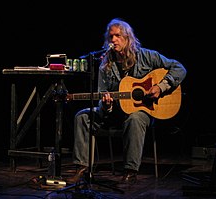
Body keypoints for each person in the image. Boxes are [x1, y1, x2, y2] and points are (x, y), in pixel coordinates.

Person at [66, 18, 187, 186]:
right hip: (114, 113)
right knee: (82, 116)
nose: (113, 40)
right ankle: (81, 169)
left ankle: (130, 171)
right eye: (111, 37)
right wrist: (106, 105)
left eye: (117, 36)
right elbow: (102, 93)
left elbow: (180, 68)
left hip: (142, 112)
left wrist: (161, 86)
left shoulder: (146, 56)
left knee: (135, 118)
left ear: (127, 37)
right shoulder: (105, 64)